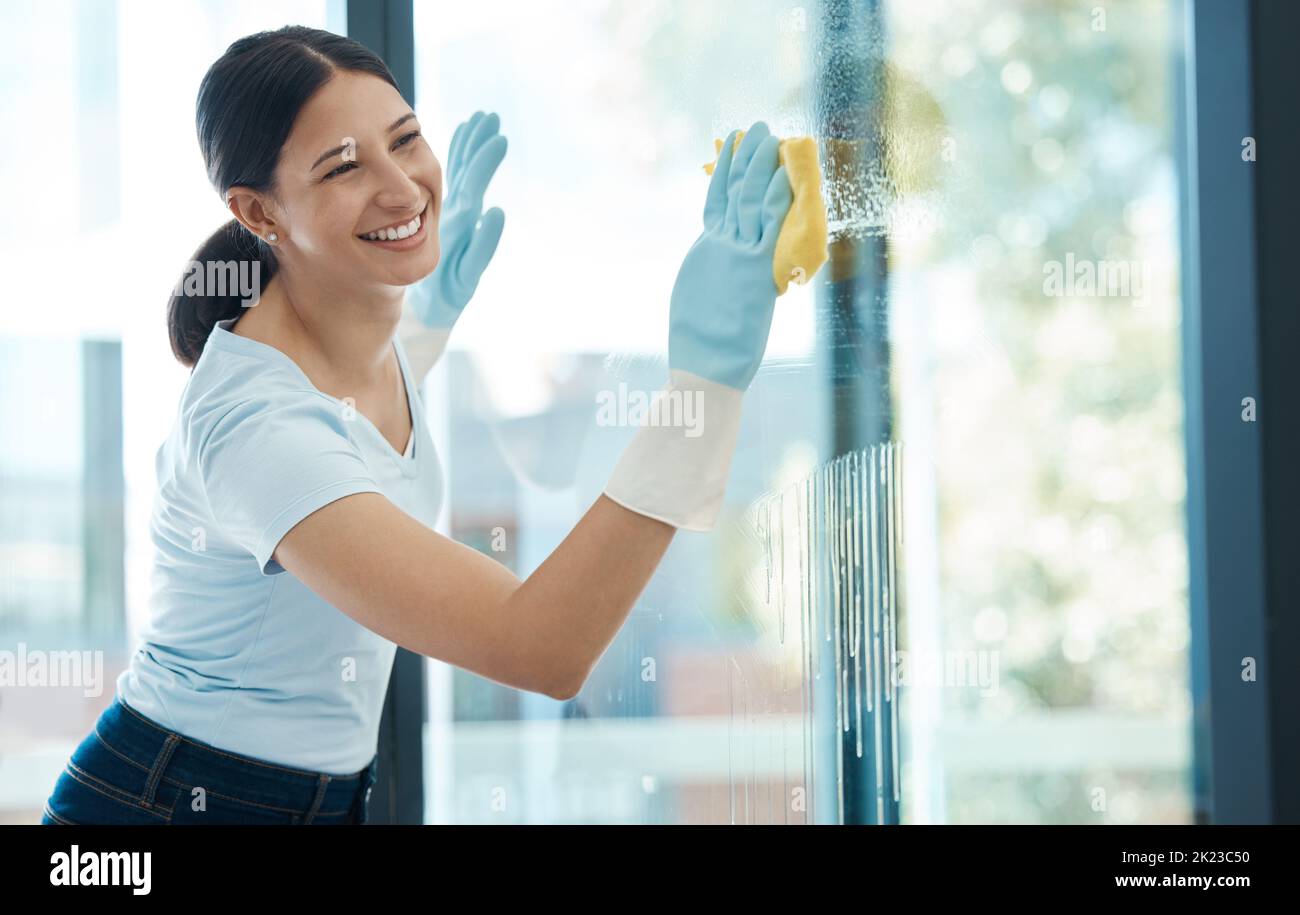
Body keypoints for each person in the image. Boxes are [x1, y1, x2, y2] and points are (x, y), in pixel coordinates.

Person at [41, 24, 792, 825]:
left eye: (405, 141)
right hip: (162, 807)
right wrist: (702, 389)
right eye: (344, 167)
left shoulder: (349, 342)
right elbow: (541, 645)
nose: (402, 187)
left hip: (304, 800)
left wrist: (426, 318)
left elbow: (351, 425)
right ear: (259, 211)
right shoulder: (255, 427)